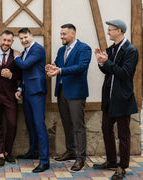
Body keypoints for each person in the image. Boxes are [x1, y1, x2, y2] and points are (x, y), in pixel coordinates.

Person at [93, 19, 138, 180]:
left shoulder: (130, 50)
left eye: (110, 29)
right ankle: (111, 160)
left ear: (119, 31)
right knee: (106, 129)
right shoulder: (111, 48)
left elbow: (124, 74)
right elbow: (108, 71)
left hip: (123, 98)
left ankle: (122, 166)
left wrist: (107, 62)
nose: (108, 32)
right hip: (109, 98)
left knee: (124, 134)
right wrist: (101, 62)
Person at [46, 24, 91, 172]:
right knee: (66, 123)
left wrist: (60, 70)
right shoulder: (61, 50)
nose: (62, 37)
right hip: (62, 91)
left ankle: (80, 158)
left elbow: (81, 67)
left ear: (73, 33)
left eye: (64, 34)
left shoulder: (84, 48)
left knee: (78, 126)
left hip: (76, 92)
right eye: (61, 34)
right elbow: (58, 65)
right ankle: (71, 151)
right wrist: (52, 67)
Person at [14, 28, 50, 173]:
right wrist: (20, 89)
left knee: (39, 125)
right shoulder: (25, 52)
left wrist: (16, 58)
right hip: (27, 92)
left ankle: (45, 161)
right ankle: (33, 151)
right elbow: (24, 74)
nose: (23, 40)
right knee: (30, 124)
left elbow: (24, 65)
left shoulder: (38, 49)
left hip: (37, 92)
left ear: (31, 36)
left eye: (25, 37)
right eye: (21, 38)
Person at [0, 30, 21, 167]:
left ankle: (8, 151)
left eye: (9, 41)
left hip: (10, 96)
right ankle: (0, 153)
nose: (6, 43)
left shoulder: (17, 54)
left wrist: (11, 75)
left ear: (12, 42)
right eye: (4, 40)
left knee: (12, 124)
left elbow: (21, 73)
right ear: (0, 39)